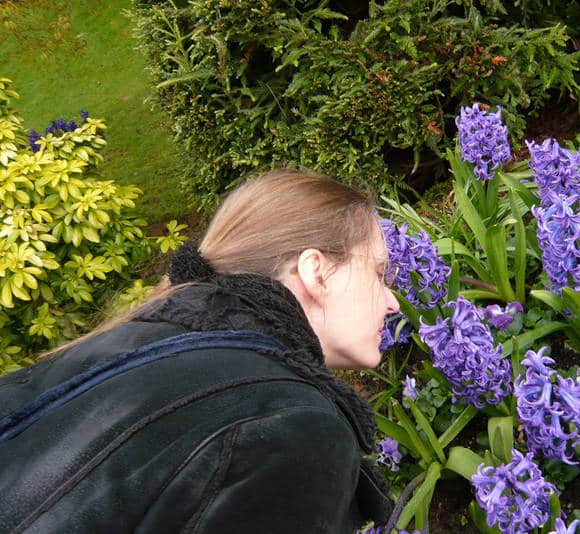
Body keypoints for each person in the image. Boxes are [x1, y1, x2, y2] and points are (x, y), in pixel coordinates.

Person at [0, 170, 401, 533]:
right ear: (316, 271)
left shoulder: (143, 338)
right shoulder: (290, 424)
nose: (392, 302)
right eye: (379, 272)